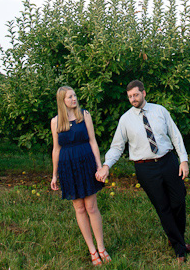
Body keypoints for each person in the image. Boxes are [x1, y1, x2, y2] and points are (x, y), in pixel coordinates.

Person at [95, 80, 190, 263]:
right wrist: (106, 165)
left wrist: (184, 160)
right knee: (163, 207)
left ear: (144, 93)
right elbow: (117, 147)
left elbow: (175, 135)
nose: (133, 99)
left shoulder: (160, 111)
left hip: (168, 162)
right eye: (130, 97)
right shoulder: (125, 120)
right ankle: (180, 248)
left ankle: (177, 238)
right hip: (145, 168)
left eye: (136, 95)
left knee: (179, 200)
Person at [50, 86, 111, 266]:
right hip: (67, 166)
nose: (74, 99)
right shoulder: (55, 122)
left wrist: (99, 166)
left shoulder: (84, 115)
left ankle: (101, 247)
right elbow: (56, 149)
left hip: (86, 163)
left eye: (75, 95)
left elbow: (93, 141)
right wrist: (54, 175)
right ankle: (92, 250)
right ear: (62, 100)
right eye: (70, 97)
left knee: (91, 207)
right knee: (79, 208)